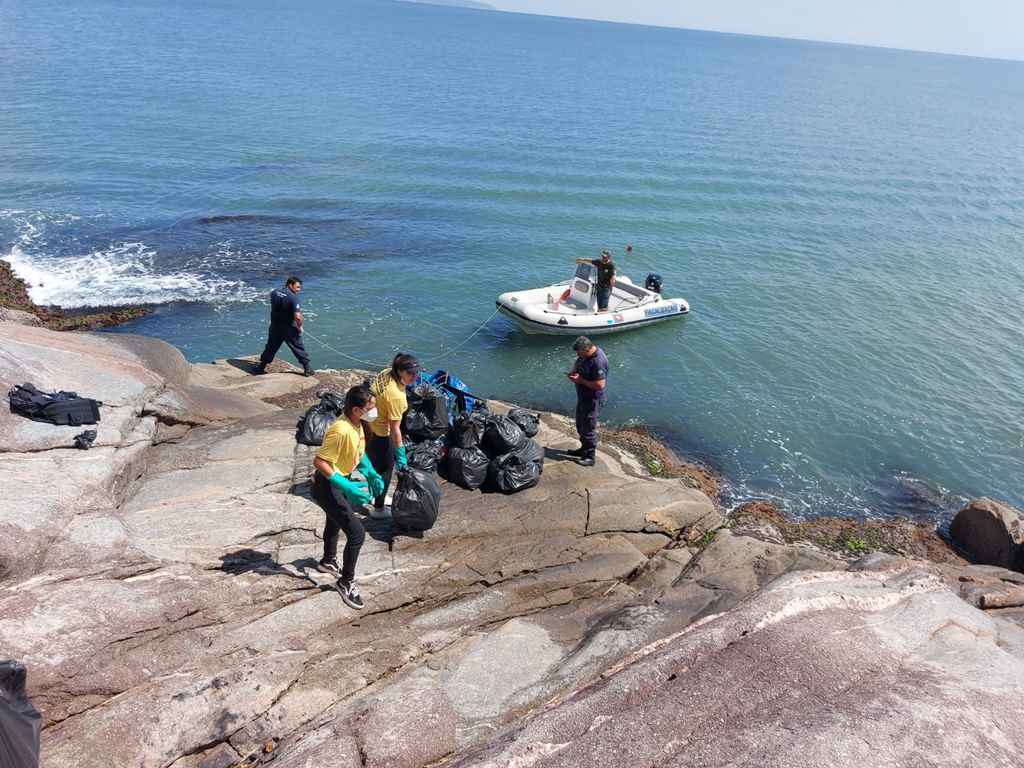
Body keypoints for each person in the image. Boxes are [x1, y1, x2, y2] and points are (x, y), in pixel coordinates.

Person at [311, 384, 384, 609]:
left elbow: (358, 453)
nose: (374, 411)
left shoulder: (357, 425)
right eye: (370, 407)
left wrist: (370, 472)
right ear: (356, 409)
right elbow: (320, 462)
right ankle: (346, 582)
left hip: (339, 484)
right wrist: (346, 485)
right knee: (357, 533)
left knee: (334, 522)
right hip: (327, 486)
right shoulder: (340, 429)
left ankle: (327, 561)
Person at [365, 353, 421, 512]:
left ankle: (373, 494)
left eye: (416, 372)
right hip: (382, 435)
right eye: (410, 373)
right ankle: (379, 508)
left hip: (369, 426)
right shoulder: (396, 396)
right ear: (400, 371)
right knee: (386, 471)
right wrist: (401, 454)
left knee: (374, 467)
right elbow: (395, 429)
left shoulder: (385, 373)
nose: (414, 376)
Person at [256, 276, 313, 376]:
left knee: (270, 347)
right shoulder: (293, 298)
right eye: (297, 287)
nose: (299, 290)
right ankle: (307, 369)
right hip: (288, 328)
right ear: (290, 285)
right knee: (297, 348)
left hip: (275, 326)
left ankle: (261, 367)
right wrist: (299, 327)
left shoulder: (274, 292)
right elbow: (298, 317)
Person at [566, 336, 608, 467]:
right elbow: (579, 361)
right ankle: (583, 449)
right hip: (583, 397)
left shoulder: (598, 362)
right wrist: (573, 371)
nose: (577, 354)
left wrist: (580, 381)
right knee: (580, 424)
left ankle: (590, 456)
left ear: (587, 349)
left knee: (588, 427)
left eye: (579, 352)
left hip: (592, 400)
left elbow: (600, 385)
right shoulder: (585, 355)